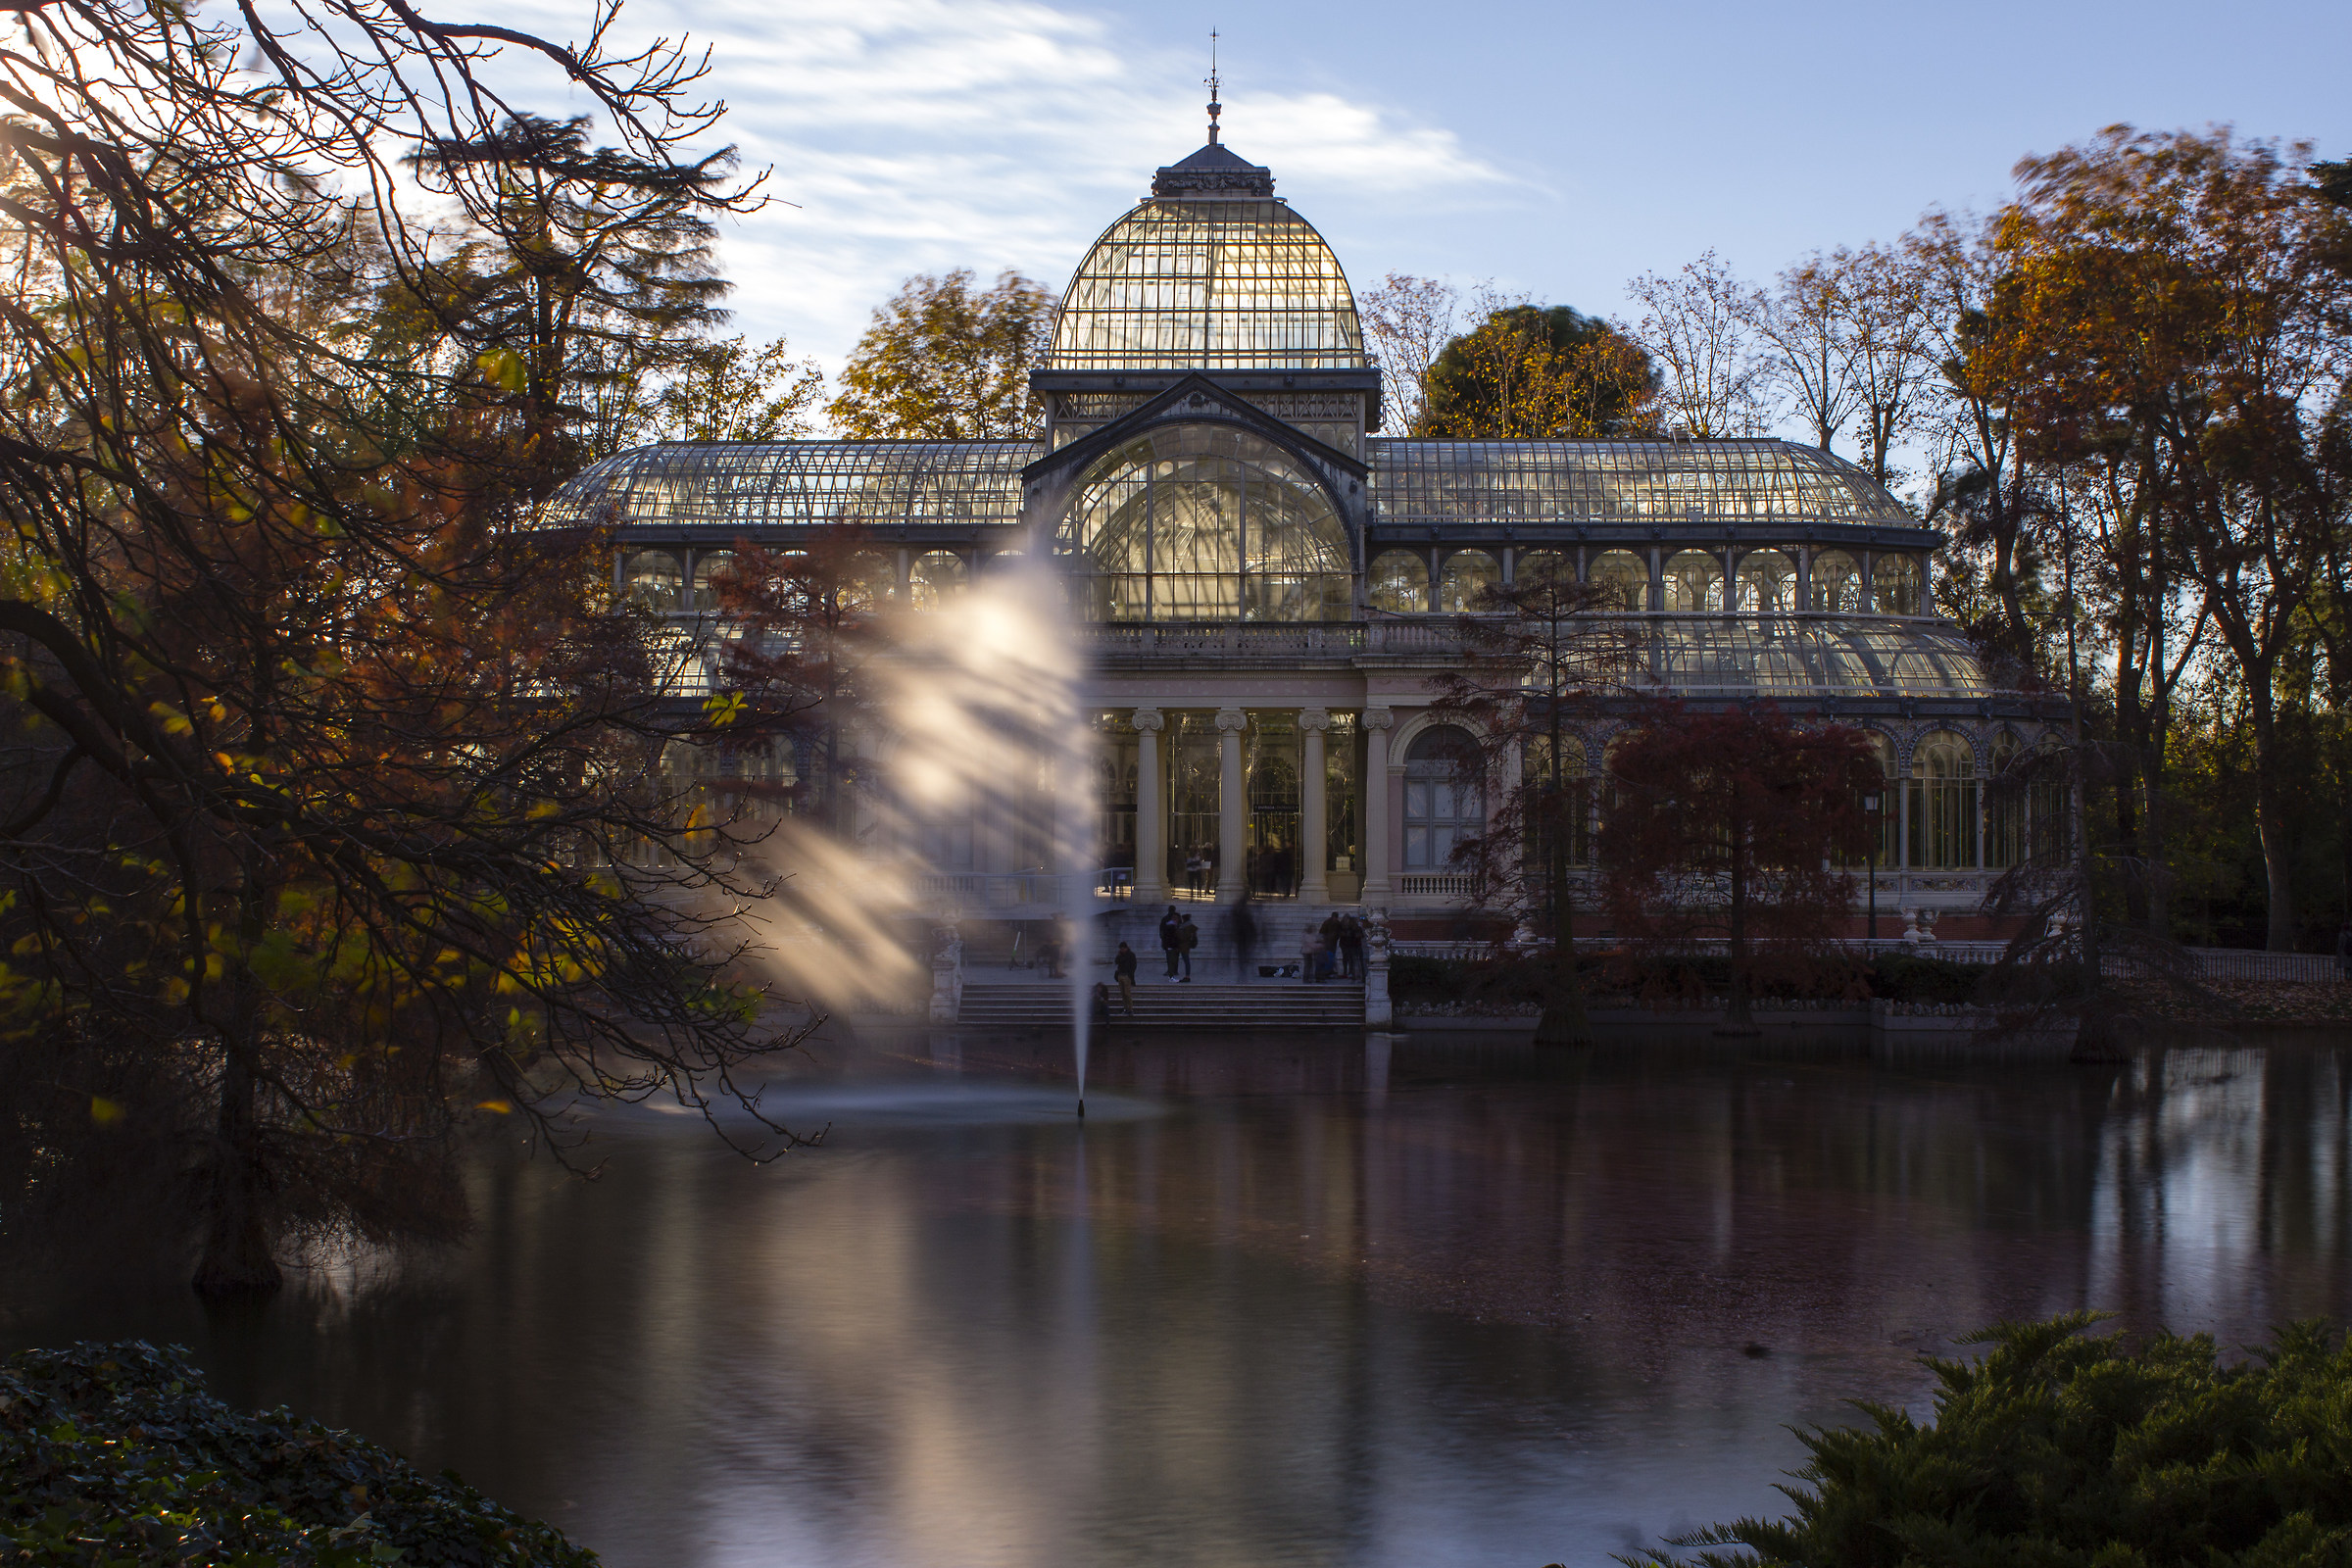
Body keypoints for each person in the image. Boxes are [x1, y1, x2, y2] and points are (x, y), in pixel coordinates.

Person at [1228, 896, 1258, 981]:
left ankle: (1243, 973)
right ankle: (1244, 973)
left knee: (1243, 957)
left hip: (1243, 940)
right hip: (1244, 940)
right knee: (1244, 957)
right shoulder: (1245, 916)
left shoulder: (1239, 916)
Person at [1112, 941, 1138, 1017]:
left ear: (1126, 948)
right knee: (1123, 994)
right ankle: (1125, 1008)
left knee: (1127, 993)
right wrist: (1119, 955)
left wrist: (1130, 974)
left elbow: (1134, 965)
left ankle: (1130, 1009)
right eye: (1121, 949)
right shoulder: (1120, 955)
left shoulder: (1131, 955)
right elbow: (1116, 962)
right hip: (1120, 975)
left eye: (1123, 948)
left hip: (1127, 975)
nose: (1122, 950)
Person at [1158, 904, 1182, 979]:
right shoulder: (1177, 919)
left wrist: (1162, 939)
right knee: (1175, 956)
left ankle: (1171, 970)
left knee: (1169, 957)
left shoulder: (1166, 919)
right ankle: (1174, 970)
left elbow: (1162, 930)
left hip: (1168, 941)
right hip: (1175, 942)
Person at [1338, 913, 1364, 980]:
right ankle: (1351, 973)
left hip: (1353, 945)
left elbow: (1359, 936)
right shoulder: (1346, 927)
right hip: (1349, 945)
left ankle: (1354, 973)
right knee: (1350, 959)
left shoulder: (1354, 928)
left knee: (1353, 960)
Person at [1319, 912, 1343, 982]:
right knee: (1327, 957)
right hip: (1327, 943)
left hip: (1333, 943)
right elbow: (1322, 932)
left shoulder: (1338, 923)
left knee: (1331, 957)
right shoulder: (1327, 922)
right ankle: (1326, 971)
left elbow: (1339, 932)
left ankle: (1330, 971)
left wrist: (1336, 937)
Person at [1176, 911, 1198, 981]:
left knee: (1186, 961)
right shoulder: (1187, 926)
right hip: (1185, 945)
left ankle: (1187, 976)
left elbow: (1184, 937)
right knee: (1186, 960)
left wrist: (1178, 932)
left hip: (1184, 945)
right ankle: (1187, 975)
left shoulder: (1186, 927)